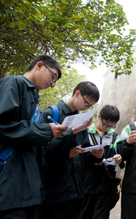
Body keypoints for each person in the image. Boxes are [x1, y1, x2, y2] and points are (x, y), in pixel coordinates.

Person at [0, 55, 68, 219]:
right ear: (39, 65)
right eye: (53, 77)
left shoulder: (34, 98)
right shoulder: (14, 83)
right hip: (11, 186)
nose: (52, 84)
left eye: (55, 81)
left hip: (29, 190)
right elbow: (3, 125)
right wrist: (46, 131)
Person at [37, 81, 104, 219]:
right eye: (87, 103)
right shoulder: (51, 114)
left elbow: (83, 151)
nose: (87, 108)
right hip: (54, 190)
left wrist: (95, 155)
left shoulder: (82, 119)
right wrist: (65, 153)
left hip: (76, 190)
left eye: (90, 106)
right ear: (77, 93)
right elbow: (40, 150)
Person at [78, 105, 123, 219]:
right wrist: (92, 160)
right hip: (86, 184)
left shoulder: (114, 136)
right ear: (99, 117)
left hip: (105, 185)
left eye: (111, 125)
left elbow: (117, 157)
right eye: (105, 123)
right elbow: (78, 157)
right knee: (83, 214)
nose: (107, 127)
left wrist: (118, 159)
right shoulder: (86, 132)